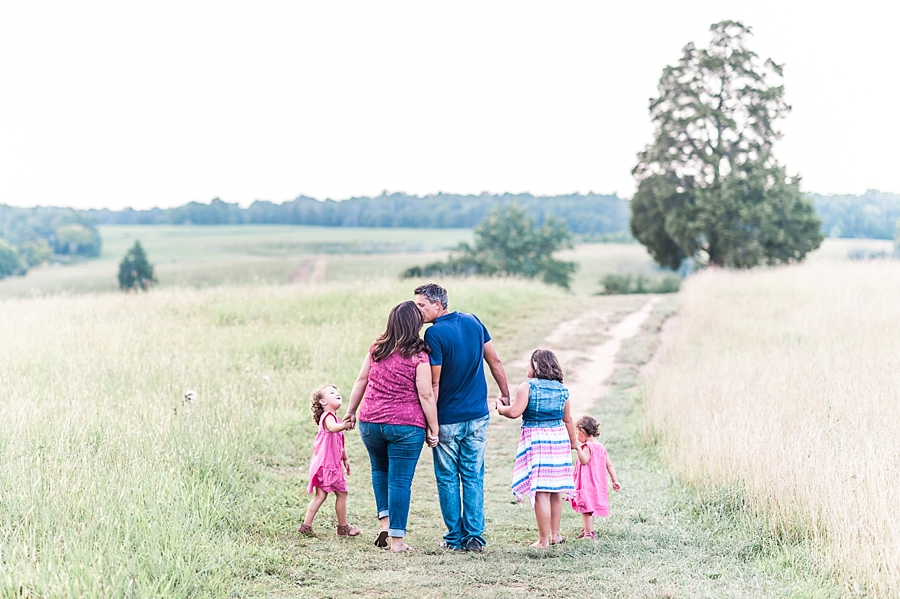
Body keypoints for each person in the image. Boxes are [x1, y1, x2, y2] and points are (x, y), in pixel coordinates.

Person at [414, 283, 509, 552]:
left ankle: (455, 538)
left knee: (447, 478)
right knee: (473, 475)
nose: (418, 310)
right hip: (478, 415)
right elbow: (495, 362)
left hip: (447, 419)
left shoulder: (434, 334)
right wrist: (505, 394)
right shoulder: (474, 321)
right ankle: (475, 537)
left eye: (422, 305)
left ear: (438, 305)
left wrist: (430, 423)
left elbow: (434, 384)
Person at [343, 301, 439, 553]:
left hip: (370, 422)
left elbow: (361, 379)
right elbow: (426, 394)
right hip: (406, 426)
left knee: (379, 471)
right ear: (415, 324)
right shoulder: (419, 355)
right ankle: (397, 541)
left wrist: (351, 412)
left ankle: (385, 522)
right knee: (400, 481)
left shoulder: (377, 349)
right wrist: (434, 428)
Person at [496, 349, 576, 548]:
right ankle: (555, 535)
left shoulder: (528, 387)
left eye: (529, 363)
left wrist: (500, 408)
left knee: (541, 491)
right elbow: (568, 419)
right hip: (559, 438)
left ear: (536, 366)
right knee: (556, 490)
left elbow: (514, 412)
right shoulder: (562, 389)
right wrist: (573, 442)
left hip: (538, 440)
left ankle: (543, 540)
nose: (526, 367)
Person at [299, 384, 362, 538]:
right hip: (328, 466)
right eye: (332, 393)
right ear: (322, 402)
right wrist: (345, 425)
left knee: (320, 496)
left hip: (323, 464)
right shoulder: (328, 417)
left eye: (337, 392)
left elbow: (339, 442)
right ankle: (343, 527)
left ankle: (306, 526)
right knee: (342, 494)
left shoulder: (331, 417)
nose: (337, 394)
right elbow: (334, 429)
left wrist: (345, 458)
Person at [570, 414, 621, 539]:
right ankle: (587, 528)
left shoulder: (587, 447)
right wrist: (615, 480)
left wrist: (577, 448)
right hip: (597, 482)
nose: (576, 436)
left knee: (586, 507)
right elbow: (609, 465)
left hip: (588, 482)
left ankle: (589, 533)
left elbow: (584, 461)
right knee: (589, 505)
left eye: (577, 433)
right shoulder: (601, 447)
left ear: (583, 431)